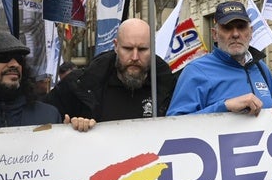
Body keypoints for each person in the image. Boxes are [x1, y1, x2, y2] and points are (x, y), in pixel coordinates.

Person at [167, 1, 272, 117]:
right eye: (227, 28)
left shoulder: (260, 67)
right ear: (215, 34)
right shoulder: (196, 71)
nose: (235, 34)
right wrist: (224, 106)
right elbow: (174, 124)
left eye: (241, 27)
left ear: (250, 32)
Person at [47, 18, 176, 130]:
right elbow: (42, 123)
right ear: (116, 46)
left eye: (142, 49)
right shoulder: (79, 85)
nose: (135, 57)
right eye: (128, 48)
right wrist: (67, 128)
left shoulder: (170, 87)